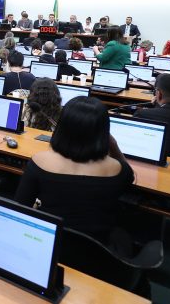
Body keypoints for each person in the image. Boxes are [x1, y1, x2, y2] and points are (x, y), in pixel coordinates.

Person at [15, 97, 134, 240]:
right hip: (99, 250)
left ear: (61, 128)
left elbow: (20, 207)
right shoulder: (116, 169)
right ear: (103, 132)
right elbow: (129, 177)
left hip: (48, 243)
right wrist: (114, 146)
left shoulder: (39, 161)